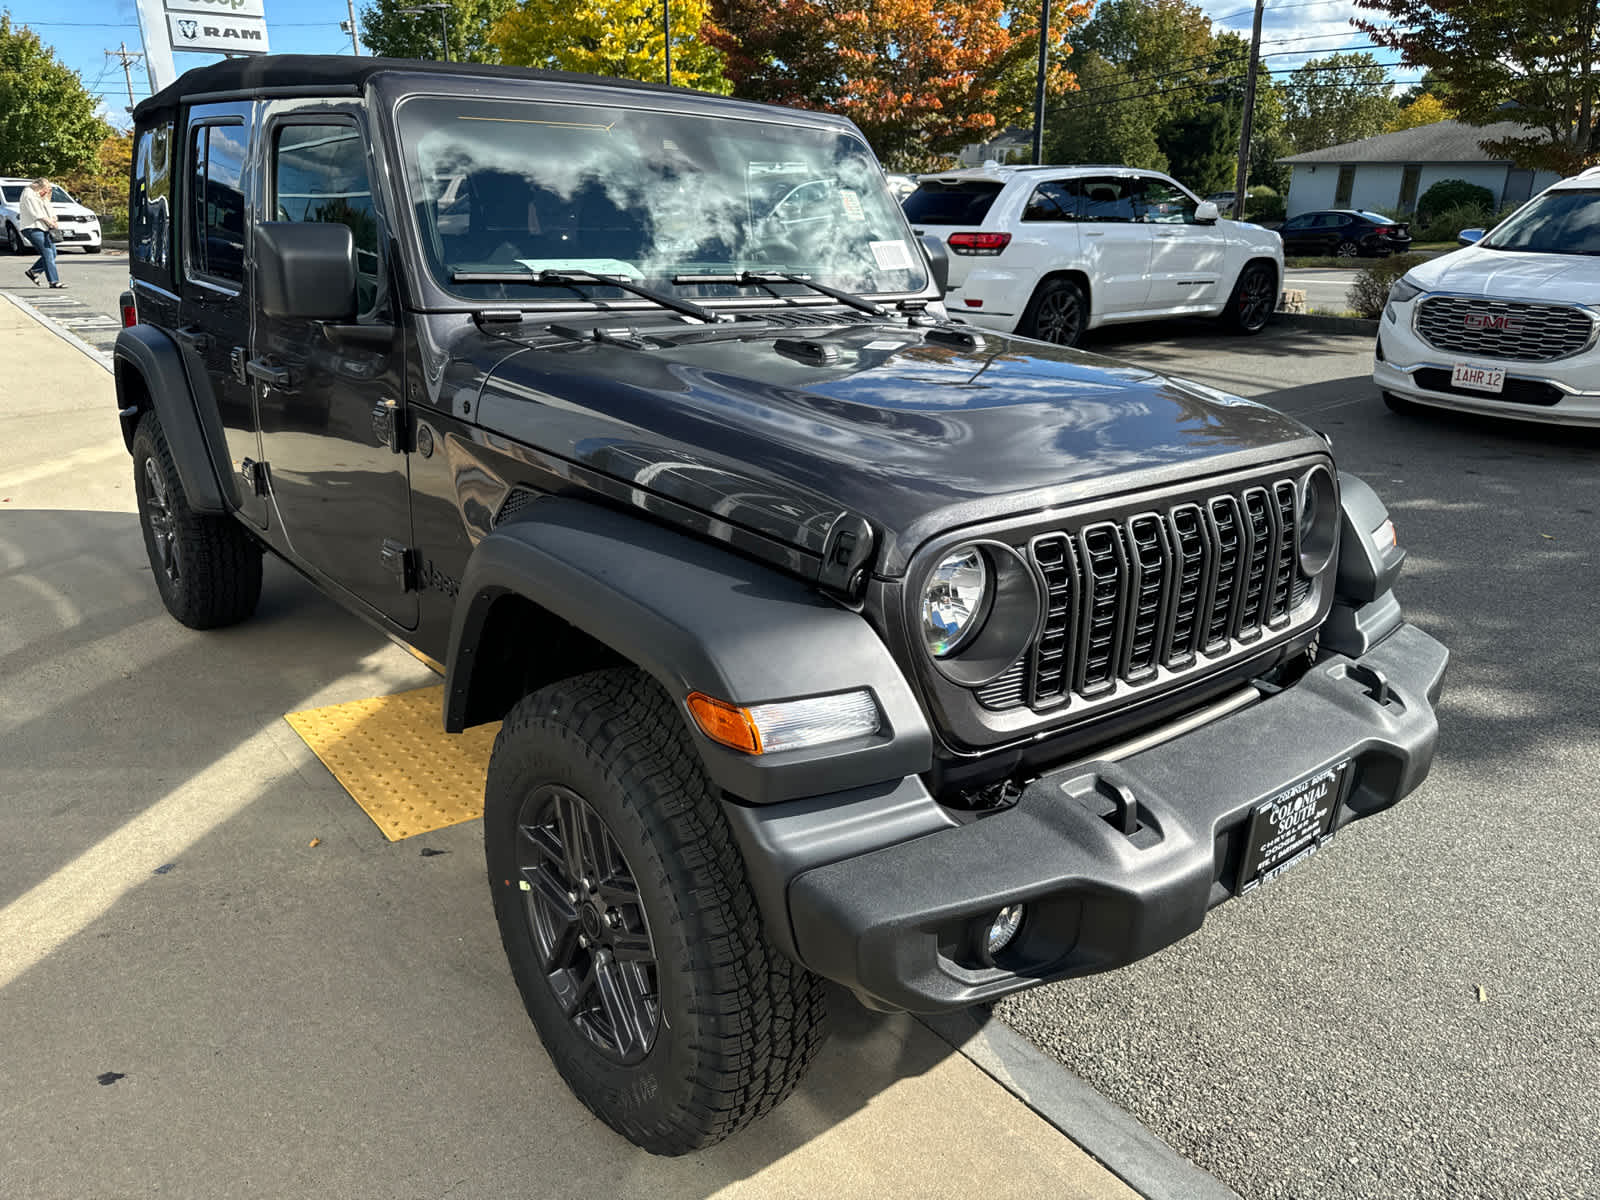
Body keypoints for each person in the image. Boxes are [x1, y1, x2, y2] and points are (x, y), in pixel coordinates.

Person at [20, 177, 66, 289]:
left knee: (53, 252)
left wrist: (54, 218)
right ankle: (54, 281)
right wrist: (49, 221)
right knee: (47, 252)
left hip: (43, 228)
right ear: (38, 186)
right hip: (32, 228)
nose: (45, 191)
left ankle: (33, 271)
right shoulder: (28, 195)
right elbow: (36, 213)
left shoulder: (38, 195)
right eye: (44, 188)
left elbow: (47, 208)